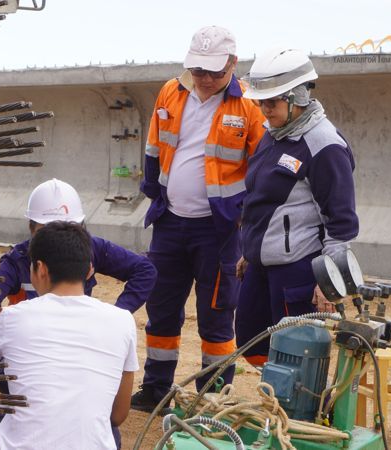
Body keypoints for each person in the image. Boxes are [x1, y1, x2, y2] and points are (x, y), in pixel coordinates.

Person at [0, 221, 139, 450]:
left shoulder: (12, 317)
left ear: (40, 269)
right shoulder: (122, 320)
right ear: (89, 269)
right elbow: (118, 414)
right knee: (108, 430)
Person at [132, 25, 265, 411]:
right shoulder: (170, 92)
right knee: (161, 309)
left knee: (217, 316)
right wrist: (155, 195)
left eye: (213, 72)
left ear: (233, 65)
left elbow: (261, 172)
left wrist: (244, 221)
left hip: (219, 231)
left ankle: (212, 398)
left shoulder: (249, 107)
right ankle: (156, 389)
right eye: (198, 71)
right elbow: (155, 147)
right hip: (170, 224)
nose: (205, 80)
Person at [0, 179, 156, 372]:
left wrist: (114, 315)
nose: (55, 240)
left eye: (64, 230)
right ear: (31, 229)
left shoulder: (92, 249)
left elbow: (144, 270)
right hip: (27, 352)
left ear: (80, 228)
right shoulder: (18, 260)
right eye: (47, 231)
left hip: (76, 350)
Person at [236, 48, 359, 365]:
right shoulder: (273, 134)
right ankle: (275, 400)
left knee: (296, 353)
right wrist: (250, 252)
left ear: (297, 97)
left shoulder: (325, 144)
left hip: (298, 269)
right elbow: (261, 199)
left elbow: (340, 221)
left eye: (272, 102)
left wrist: (329, 278)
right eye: (260, 102)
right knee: (253, 345)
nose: (264, 109)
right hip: (262, 265)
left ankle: (296, 409)